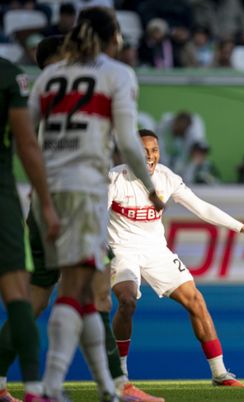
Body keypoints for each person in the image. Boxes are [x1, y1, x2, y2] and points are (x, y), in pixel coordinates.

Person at [0, 35, 164, 402]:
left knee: (35, 300)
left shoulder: (37, 96)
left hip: (42, 206)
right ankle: (115, 386)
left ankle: (4, 383)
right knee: (96, 294)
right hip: (73, 205)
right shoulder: (73, 97)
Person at [109, 129, 244, 387]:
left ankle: (220, 374)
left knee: (195, 300)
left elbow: (201, 207)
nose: (150, 157)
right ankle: (119, 376)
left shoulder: (166, 178)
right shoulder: (115, 179)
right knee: (127, 301)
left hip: (156, 251)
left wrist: (241, 227)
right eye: (143, 151)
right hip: (122, 249)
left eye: (154, 150)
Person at [0, 53, 60, 402]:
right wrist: (46, 204)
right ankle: (34, 389)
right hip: (3, 195)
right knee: (19, 293)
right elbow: (26, 144)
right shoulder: (10, 75)